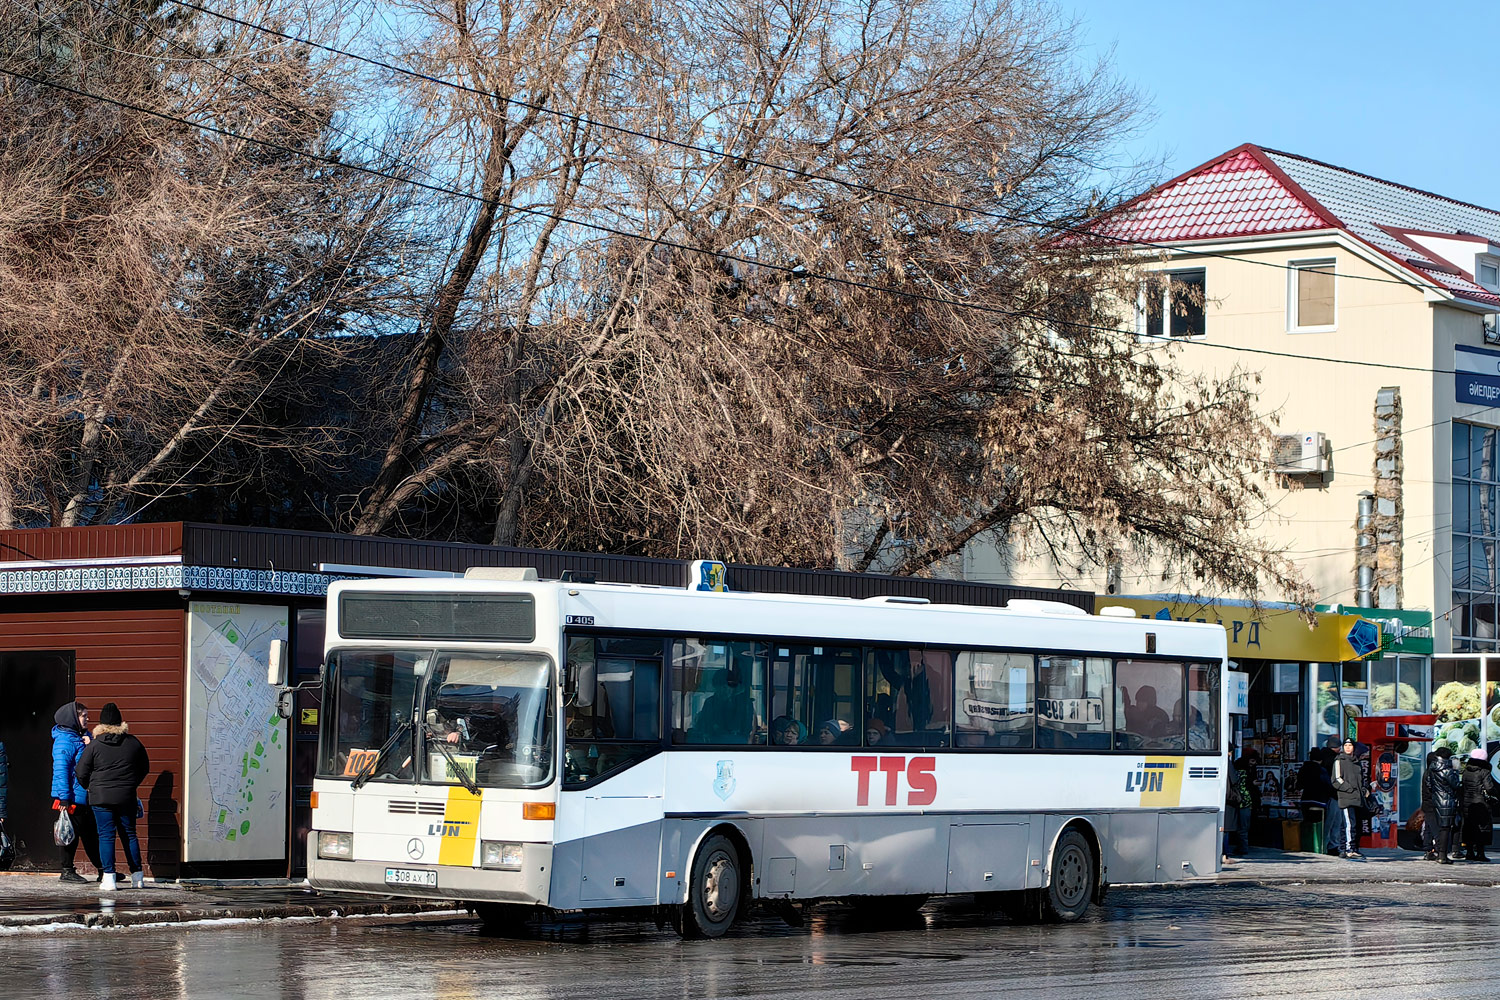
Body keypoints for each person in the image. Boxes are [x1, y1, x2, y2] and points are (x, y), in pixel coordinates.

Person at [76, 702, 150, 892]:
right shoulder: (133, 743)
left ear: (101, 724)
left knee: (106, 836)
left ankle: (108, 879)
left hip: (100, 798)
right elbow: (144, 768)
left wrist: (91, 788)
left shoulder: (94, 746)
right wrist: (130, 785)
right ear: (120, 722)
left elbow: (81, 771)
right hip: (126, 797)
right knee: (130, 835)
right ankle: (138, 877)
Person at [51, 700, 102, 883]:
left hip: (85, 794)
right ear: (72, 717)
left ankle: (103, 869)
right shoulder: (64, 741)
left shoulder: (82, 737)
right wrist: (64, 798)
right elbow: (61, 770)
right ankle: (66, 871)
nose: (87, 719)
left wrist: (92, 743)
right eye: (83, 716)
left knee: (90, 834)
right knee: (69, 834)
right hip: (72, 796)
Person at [1424, 746, 1462, 865]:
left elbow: (1429, 784)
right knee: (1446, 828)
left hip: (1436, 800)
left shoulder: (1432, 768)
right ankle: (1443, 855)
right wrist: (1456, 771)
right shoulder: (1448, 769)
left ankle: (1441, 853)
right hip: (1447, 800)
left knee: (1440, 828)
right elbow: (1456, 784)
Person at [1331, 737, 1368, 859]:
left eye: (1350, 745)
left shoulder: (1357, 763)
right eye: (1345, 745)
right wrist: (1349, 789)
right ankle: (1348, 848)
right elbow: (1336, 779)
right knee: (1348, 824)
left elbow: (1361, 781)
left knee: (1355, 824)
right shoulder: (1339, 761)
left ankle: (1350, 847)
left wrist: (1363, 790)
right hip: (1346, 797)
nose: (1347, 748)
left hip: (1357, 798)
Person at [1460, 747, 1497, 862]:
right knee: (1482, 827)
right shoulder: (1484, 772)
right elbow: (1489, 788)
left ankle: (1469, 852)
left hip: (1467, 803)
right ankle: (1480, 853)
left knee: (1469, 827)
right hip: (1481, 803)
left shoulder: (1466, 771)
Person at [1297, 750, 1335, 844]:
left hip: (1305, 800)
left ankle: (1307, 843)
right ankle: (1318, 844)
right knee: (1319, 825)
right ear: (1321, 760)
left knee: (1307, 823)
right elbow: (1328, 785)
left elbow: (1299, 785)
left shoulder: (1303, 768)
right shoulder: (1322, 770)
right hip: (1319, 801)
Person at [1224, 758, 1251, 860]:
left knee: (1232, 826)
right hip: (1245, 801)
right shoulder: (1245, 774)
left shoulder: (1234, 773)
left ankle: (1238, 848)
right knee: (1244, 827)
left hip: (1234, 801)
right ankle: (1243, 848)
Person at [1420, 751, 1441, 860]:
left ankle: (1428, 850)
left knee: (1428, 827)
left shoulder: (1427, 772)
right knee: (1435, 827)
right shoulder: (1432, 773)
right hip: (1432, 804)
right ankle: (1438, 849)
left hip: (1427, 804)